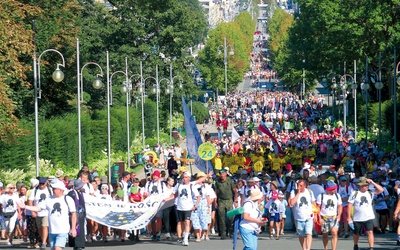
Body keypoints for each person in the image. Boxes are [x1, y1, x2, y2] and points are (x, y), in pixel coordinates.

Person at [18, 180, 77, 250]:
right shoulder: (48, 199)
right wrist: (25, 206)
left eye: (54, 189)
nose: (53, 190)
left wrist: (73, 229)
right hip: (52, 231)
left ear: (61, 190)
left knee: (57, 248)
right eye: (52, 188)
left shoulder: (68, 199)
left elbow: (73, 213)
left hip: (63, 230)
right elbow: (38, 208)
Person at [347, 177, 384, 250]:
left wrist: (372, 182)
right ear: (361, 186)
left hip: (368, 216)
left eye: (367, 185)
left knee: (370, 232)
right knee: (356, 233)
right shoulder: (355, 193)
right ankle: (355, 244)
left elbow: (381, 190)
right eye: (365, 185)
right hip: (358, 217)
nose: (367, 186)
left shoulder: (370, 192)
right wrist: (349, 217)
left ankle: (371, 247)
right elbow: (350, 205)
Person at [174, 172, 200, 246]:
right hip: (179, 207)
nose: (184, 179)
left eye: (185, 177)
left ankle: (185, 239)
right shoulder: (178, 185)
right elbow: (174, 195)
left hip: (188, 207)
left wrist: (195, 206)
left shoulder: (191, 186)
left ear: (189, 178)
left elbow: (198, 197)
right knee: (180, 223)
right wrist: (166, 199)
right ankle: (181, 237)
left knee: (187, 222)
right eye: (183, 177)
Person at [289, 179, 316, 250]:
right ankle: (304, 248)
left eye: (301, 186)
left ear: (305, 186)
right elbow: (292, 203)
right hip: (299, 217)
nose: (299, 187)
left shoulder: (309, 192)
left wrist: (315, 214)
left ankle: (308, 248)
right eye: (298, 185)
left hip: (309, 216)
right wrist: (298, 193)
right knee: (301, 235)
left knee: (309, 233)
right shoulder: (293, 192)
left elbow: (313, 203)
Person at [316, 180, 342, 250]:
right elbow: (318, 207)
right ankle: (326, 248)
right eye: (332, 189)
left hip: (334, 217)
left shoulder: (337, 195)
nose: (334, 190)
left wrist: (339, 215)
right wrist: (319, 218)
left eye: (334, 189)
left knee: (334, 233)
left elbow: (340, 206)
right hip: (324, 217)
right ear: (328, 189)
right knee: (325, 235)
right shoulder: (321, 196)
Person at [28, 177, 52, 249]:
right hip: (38, 212)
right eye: (40, 183)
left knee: (45, 227)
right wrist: (32, 211)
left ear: (46, 183)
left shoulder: (49, 190)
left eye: (43, 183)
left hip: (47, 212)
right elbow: (30, 201)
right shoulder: (35, 191)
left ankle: (44, 242)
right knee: (40, 228)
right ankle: (44, 240)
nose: (41, 185)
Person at [215, 168, 238, 239]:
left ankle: (231, 232)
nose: (221, 175)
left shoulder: (230, 181)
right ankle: (223, 233)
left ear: (226, 173)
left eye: (223, 173)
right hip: (221, 201)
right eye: (220, 173)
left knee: (230, 217)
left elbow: (235, 191)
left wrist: (236, 201)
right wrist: (215, 202)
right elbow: (216, 192)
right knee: (221, 217)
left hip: (229, 200)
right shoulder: (218, 182)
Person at [67, 180, 86, 250]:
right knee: (75, 228)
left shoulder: (80, 193)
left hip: (80, 214)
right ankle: (76, 244)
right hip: (74, 214)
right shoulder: (71, 194)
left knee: (81, 229)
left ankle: (80, 244)